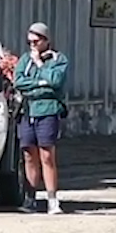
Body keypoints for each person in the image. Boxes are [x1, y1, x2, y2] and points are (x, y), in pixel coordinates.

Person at [14, 22, 70, 215]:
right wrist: (40, 82)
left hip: (48, 110)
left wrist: (39, 65)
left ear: (46, 40)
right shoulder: (24, 60)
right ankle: (30, 198)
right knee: (29, 155)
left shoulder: (58, 59)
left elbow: (56, 81)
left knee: (47, 155)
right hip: (28, 110)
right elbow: (19, 81)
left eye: (36, 41)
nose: (32, 46)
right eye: (29, 42)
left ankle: (52, 199)